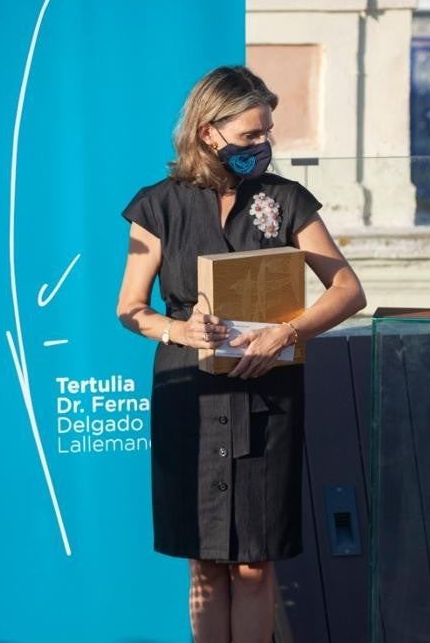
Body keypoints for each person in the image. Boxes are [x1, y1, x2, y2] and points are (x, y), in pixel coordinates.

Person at [116, 65, 366, 643]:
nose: (264, 145)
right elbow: (130, 309)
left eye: (267, 132)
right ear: (209, 132)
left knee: (255, 563)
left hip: (267, 396)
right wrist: (181, 332)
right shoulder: (158, 206)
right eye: (251, 135)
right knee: (204, 562)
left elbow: (349, 291)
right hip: (191, 396)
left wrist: (287, 333)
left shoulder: (287, 199)